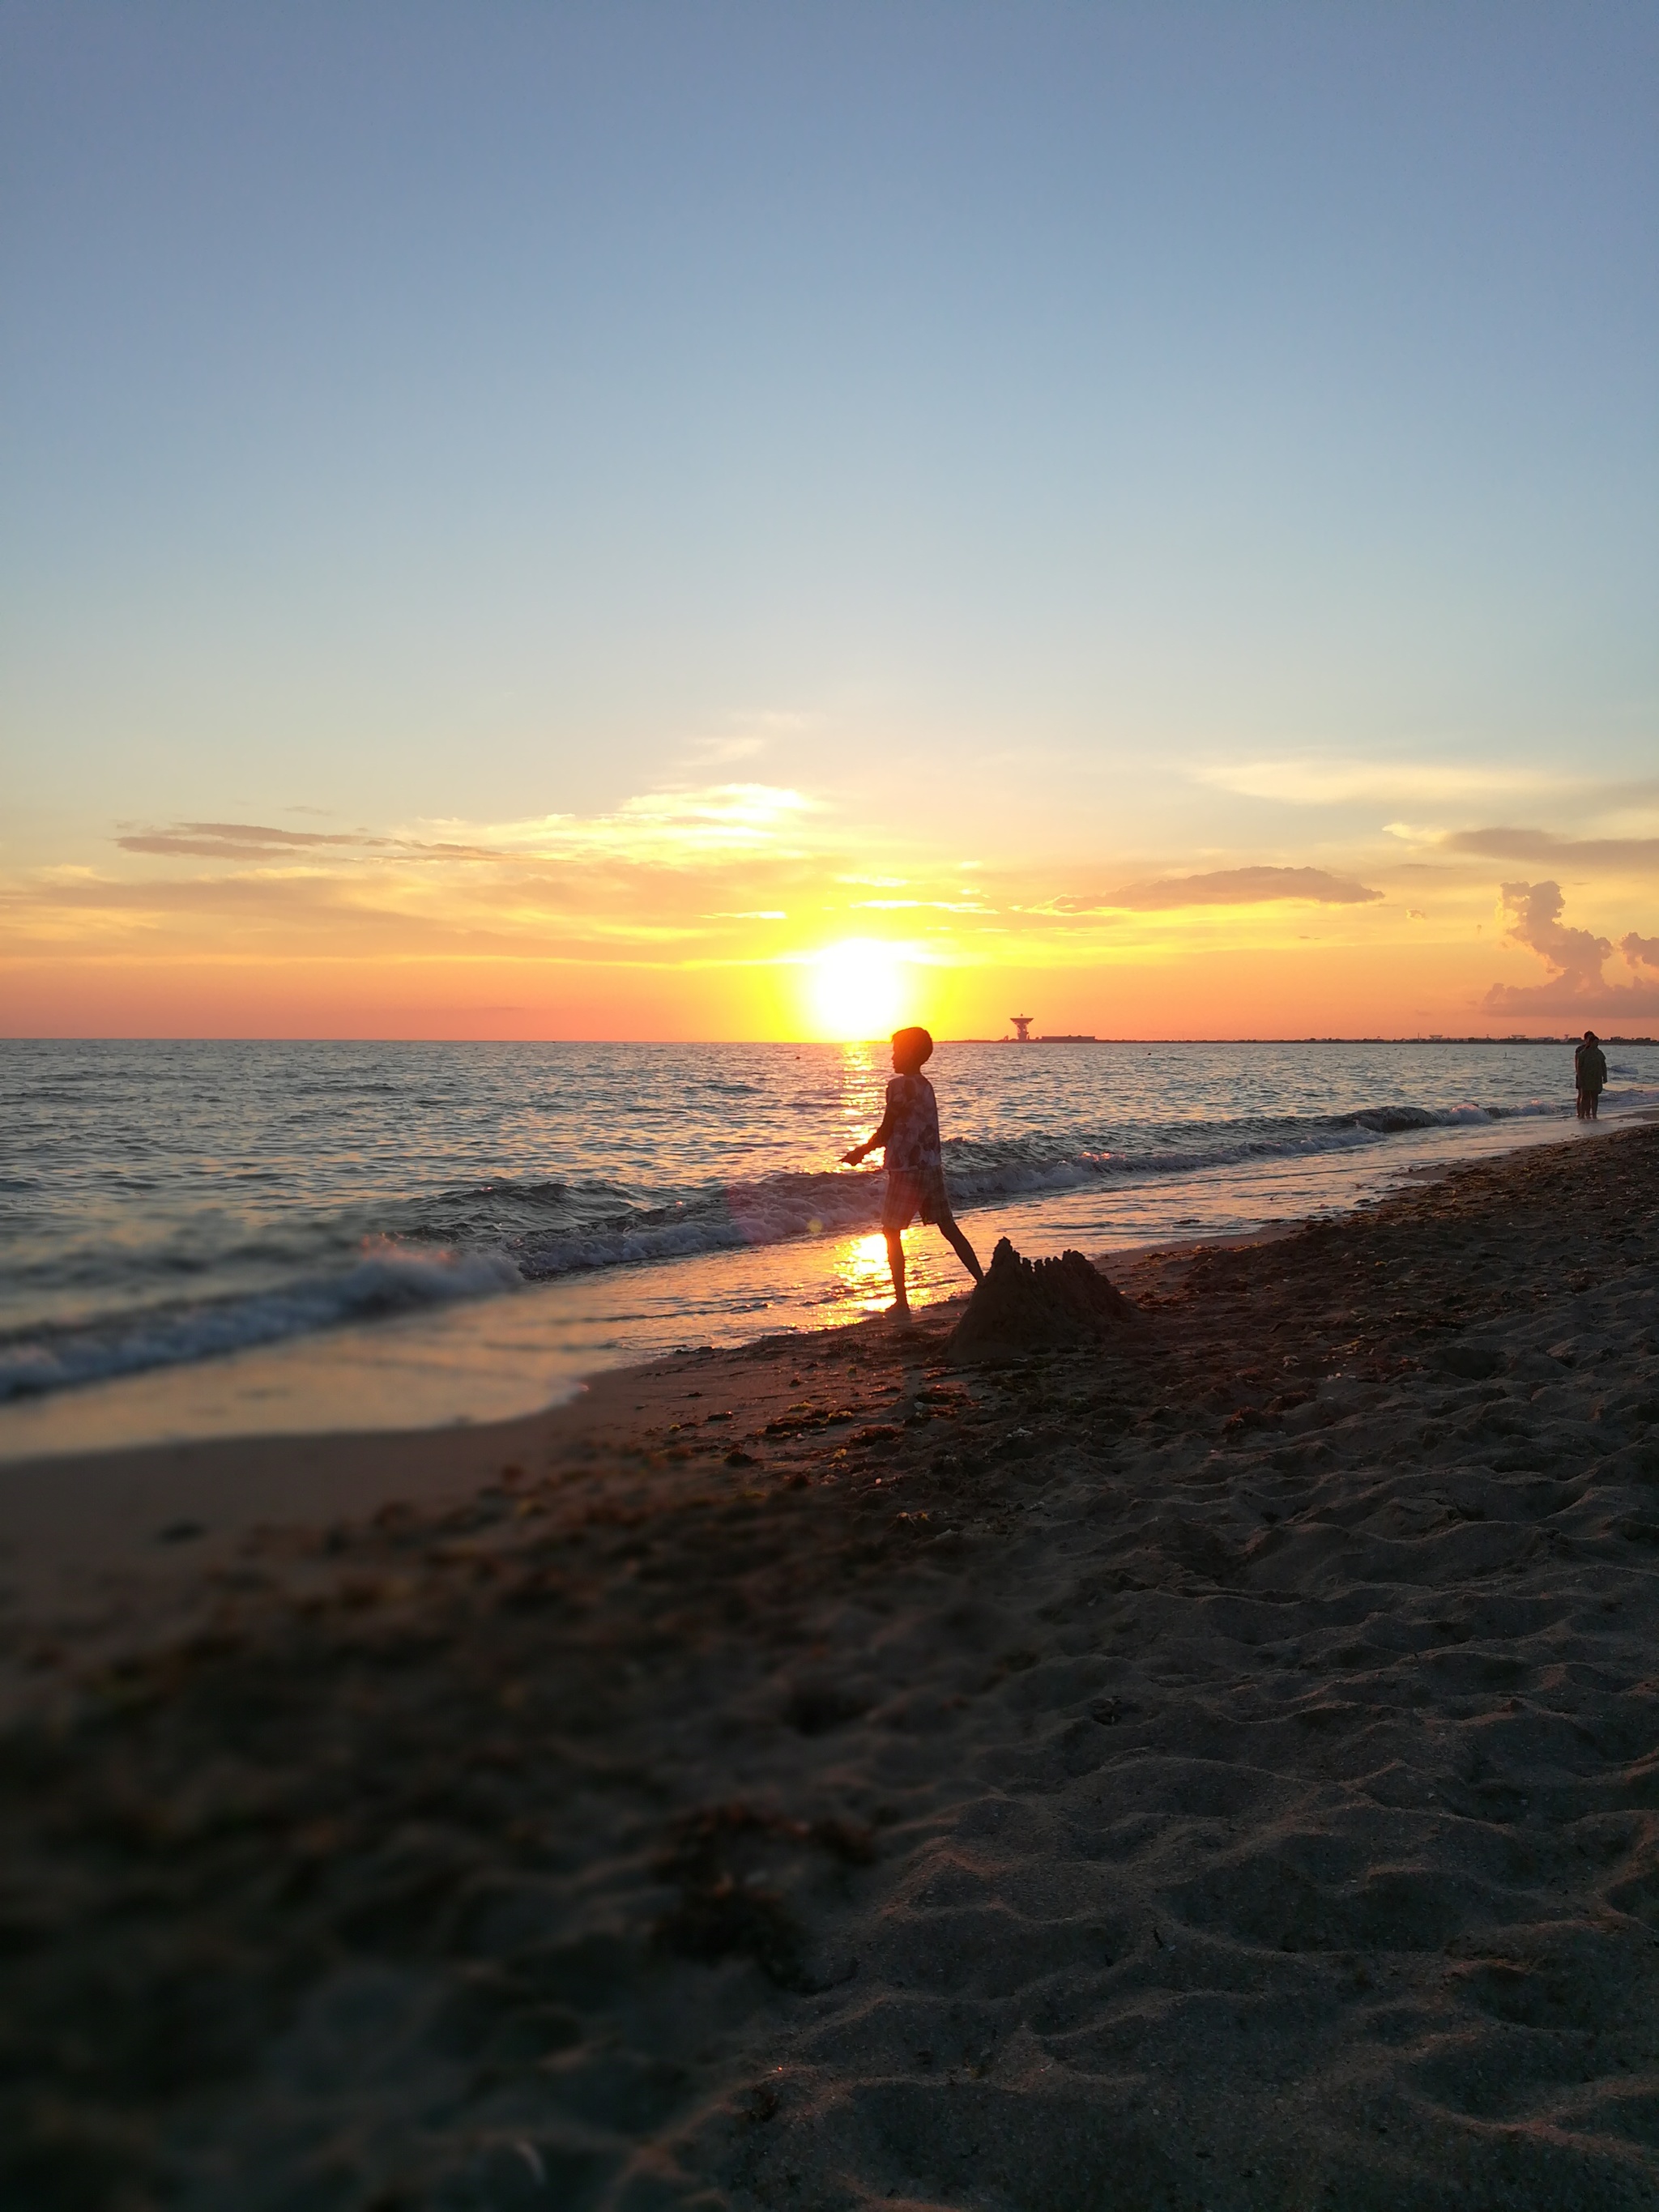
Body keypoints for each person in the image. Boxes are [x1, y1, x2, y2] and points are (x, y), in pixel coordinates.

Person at [842, 1025, 983, 1321]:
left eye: (896, 1050)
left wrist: (860, 1152)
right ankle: (983, 1283)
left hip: (906, 1170)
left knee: (891, 1231)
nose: (892, 1056)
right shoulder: (926, 1085)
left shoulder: (898, 1087)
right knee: (949, 1228)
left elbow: (886, 1130)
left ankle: (901, 1302)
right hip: (931, 1166)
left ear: (908, 1053)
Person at [1574, 1029, 1608, 1121]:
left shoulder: (1599, 1053)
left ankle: (1593, 1115)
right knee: (1584, 1096)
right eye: (1595, 1042)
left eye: (1598, 1043)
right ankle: (1582, 1114)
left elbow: (1603, 1065)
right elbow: (1578, 1066)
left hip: (1596, 1078)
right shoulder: (1582, 1052)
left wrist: (1605, 1076)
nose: (1597, 1044)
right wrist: (1580, 1077)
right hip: (1585, 1077)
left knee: (1594, 1097)